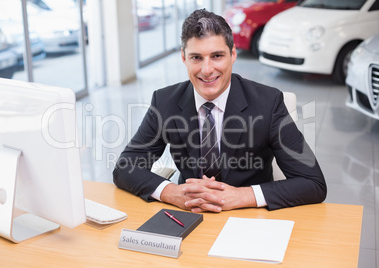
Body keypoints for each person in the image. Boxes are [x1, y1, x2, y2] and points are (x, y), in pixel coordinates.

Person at [113, 9, 326, 213]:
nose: (207, 70)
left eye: (217, 56)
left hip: (249, 215)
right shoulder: (165, 102)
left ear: (233, 54)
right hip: (189, 211)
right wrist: (171, 192)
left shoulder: (269, 103)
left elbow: (313, 182)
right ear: (184, 57)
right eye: (196, 57)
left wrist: (241, 196)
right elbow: (125, 167)